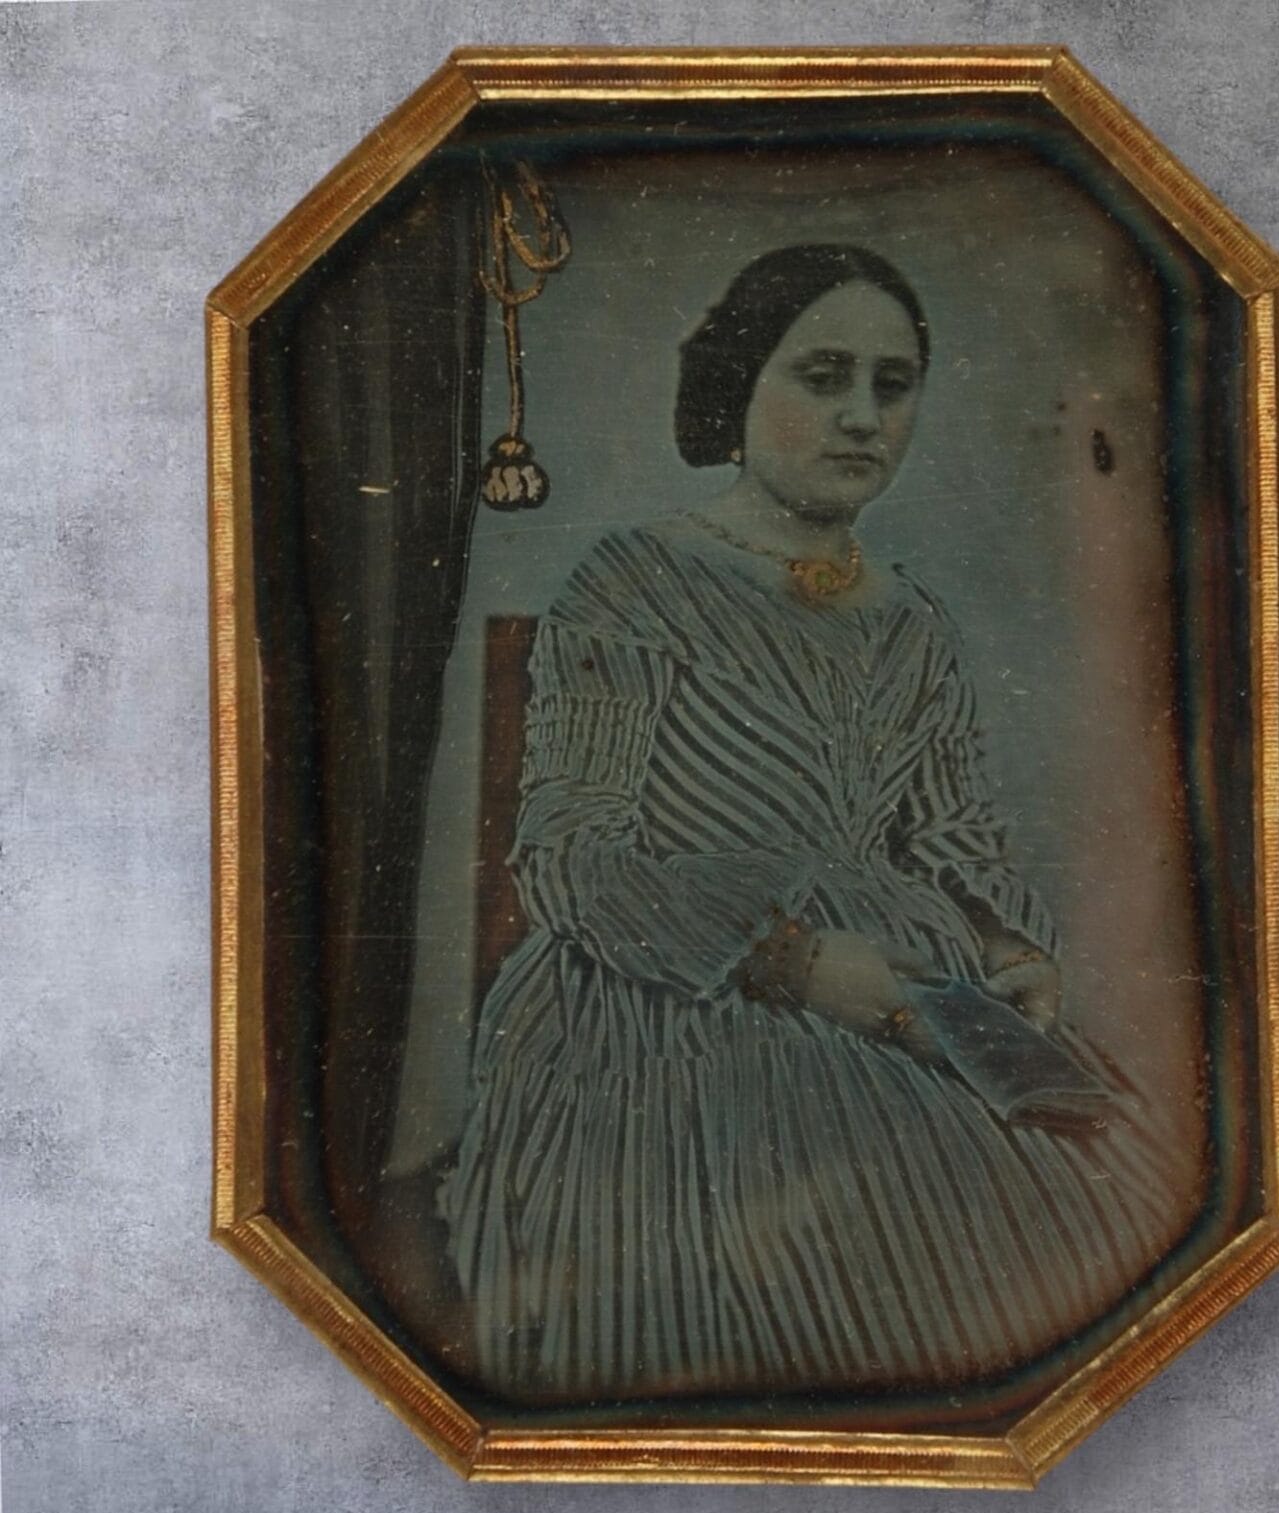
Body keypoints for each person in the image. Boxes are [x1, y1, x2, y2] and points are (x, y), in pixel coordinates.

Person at [440, 244, 1183, 1404]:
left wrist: (1010, 949)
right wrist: (792, 962)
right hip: (670, 1008)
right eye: (823, 376)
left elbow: (952, 838)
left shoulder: (913, 621)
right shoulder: (636, 581)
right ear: (741, 383)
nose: (862, 417)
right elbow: (570, 859)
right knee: (870, 1243)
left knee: (1105, 1221)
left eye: (893, 385)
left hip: (906, 992)